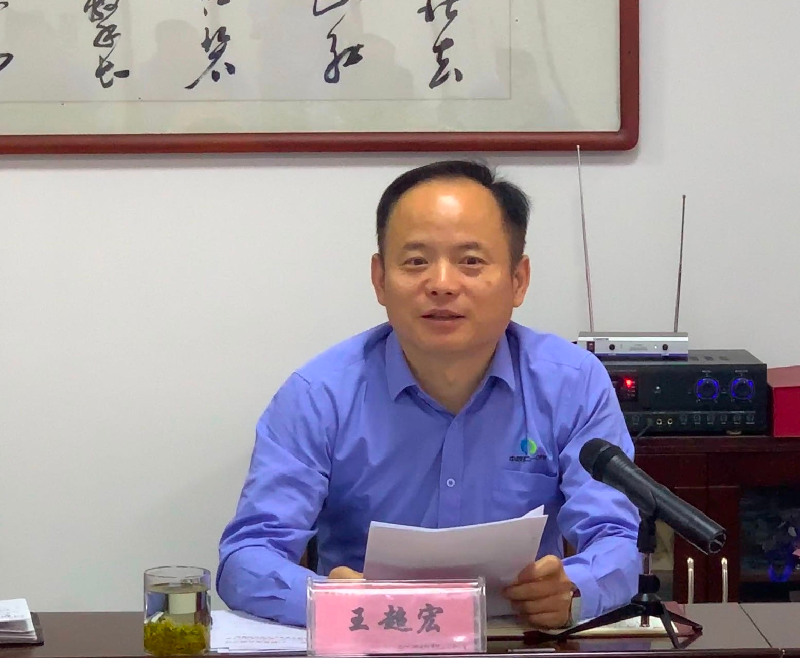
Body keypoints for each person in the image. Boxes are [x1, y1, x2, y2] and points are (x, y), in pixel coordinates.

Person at [217, 160, 640, 629]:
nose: (441, 284)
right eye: (416, 261)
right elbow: (247, 558)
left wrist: (574, 589)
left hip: (518, 643)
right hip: (370, 642)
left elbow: (616, 538)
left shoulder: (572, 384)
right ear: (380, 279)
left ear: (518, 280)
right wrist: (327, 600)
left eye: (470, 261)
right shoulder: (319, 395)